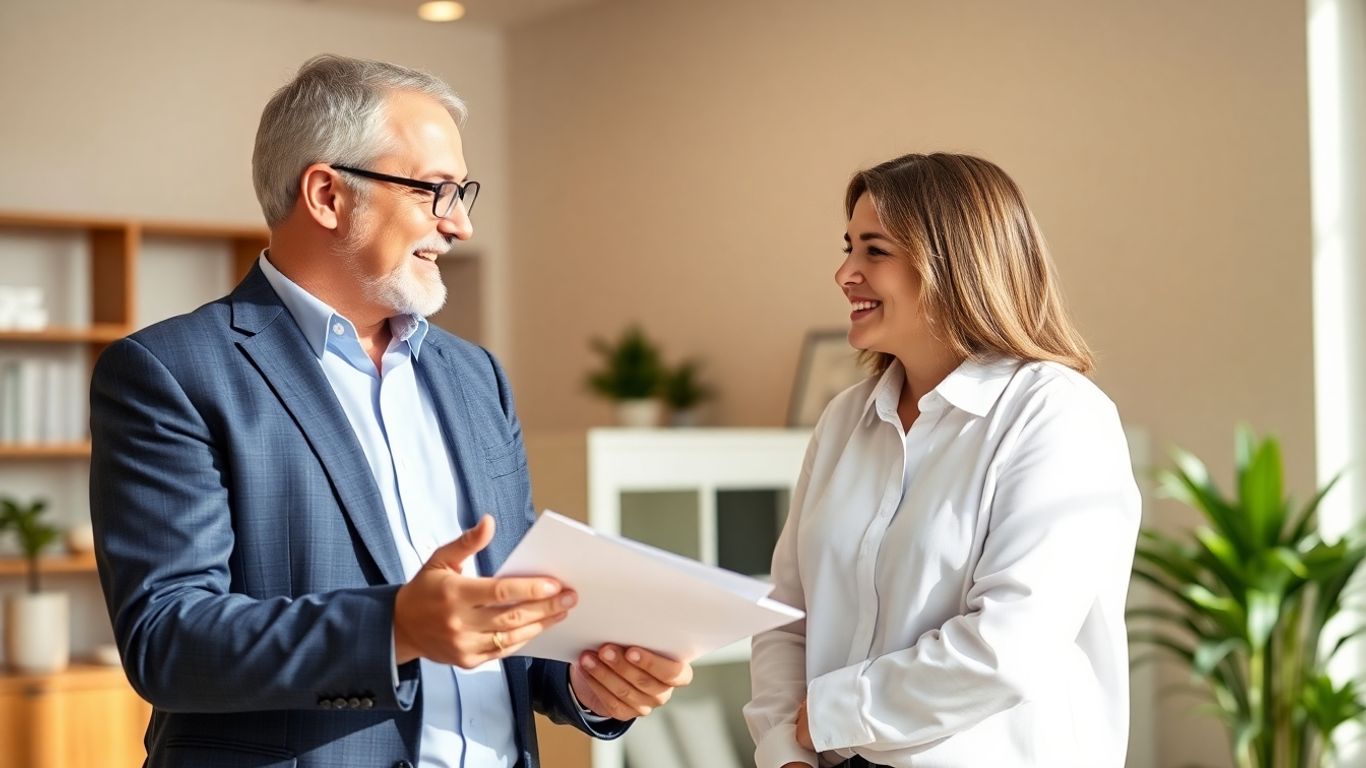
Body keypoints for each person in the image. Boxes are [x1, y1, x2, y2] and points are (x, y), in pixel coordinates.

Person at [89, 54, 691, 768]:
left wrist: (591, 684)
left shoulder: (475, 376)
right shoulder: (172, 372)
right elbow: (168, 640)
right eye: (435, 191)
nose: (461, 225)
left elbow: (505, 610)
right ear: (326, 194)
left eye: (463, 193)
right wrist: (394, 626)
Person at [744, 153, 1141, 768]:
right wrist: (783, 750)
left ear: (954, 261)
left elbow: (1008, 646)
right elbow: (786, 616)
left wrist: (830, 715)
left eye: (874, 251)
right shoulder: (843, 420)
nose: (844, 273)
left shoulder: (1057, 415)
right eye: (848, 247)